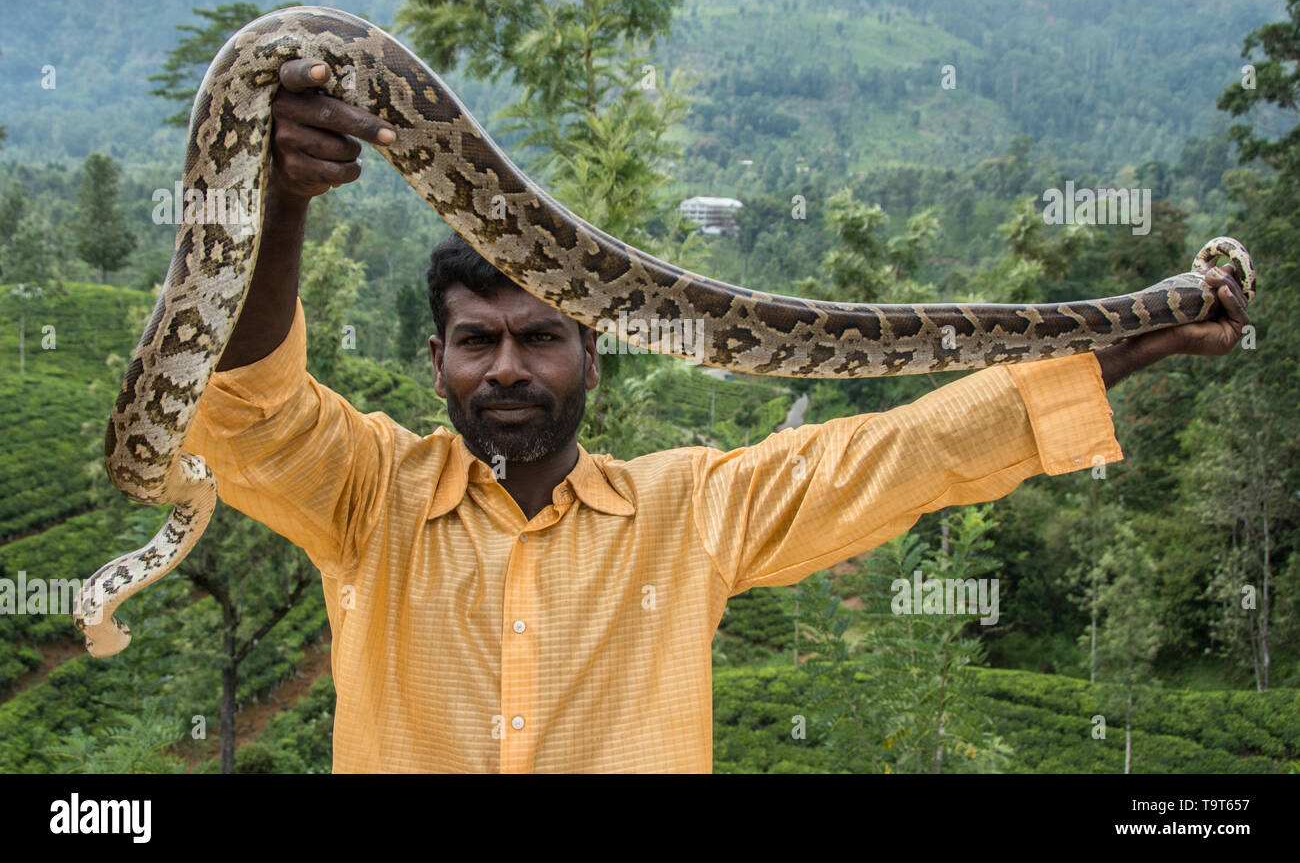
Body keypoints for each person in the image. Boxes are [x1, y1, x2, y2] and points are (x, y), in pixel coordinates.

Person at [182, 59, 1251, 773]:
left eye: (541, 334)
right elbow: (248, 409)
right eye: (477, 340)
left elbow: (907, 452)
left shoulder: (687, 509)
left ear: (592, 355)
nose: (507, 366)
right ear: (437, 363)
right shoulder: (370, 496)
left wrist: (1134, 340)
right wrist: (276, 206)